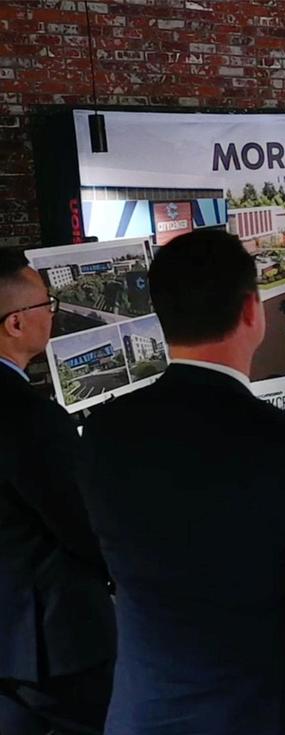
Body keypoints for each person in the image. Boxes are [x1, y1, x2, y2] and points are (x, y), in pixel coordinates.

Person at [77, 230, 285, 734]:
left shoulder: (106, 430)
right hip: (275, 708)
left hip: (149, 708)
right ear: (252, 311)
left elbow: (103, 550)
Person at [0, 250, 116, 734]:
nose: (53, 313)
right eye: (46, 304)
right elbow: (80, 519)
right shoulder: (27, 416)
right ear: (15, 323)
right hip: (50, 644)